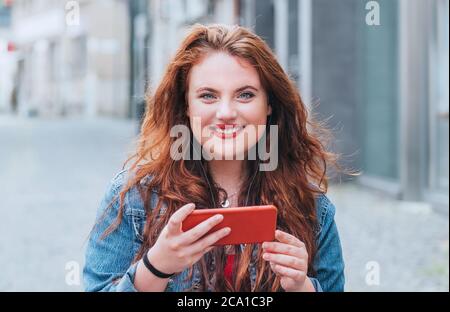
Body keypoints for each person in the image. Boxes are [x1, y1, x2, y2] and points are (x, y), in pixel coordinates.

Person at [83, 24, 345, 292]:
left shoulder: (311, 206)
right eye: (208, 96)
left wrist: (302, 287)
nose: (225, 113)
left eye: (245, 95)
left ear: (269, 105)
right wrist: (155, 267)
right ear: (186, 106)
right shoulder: (134, 198)